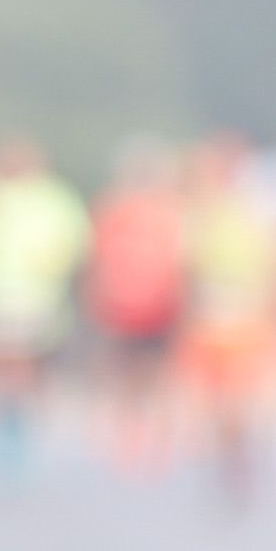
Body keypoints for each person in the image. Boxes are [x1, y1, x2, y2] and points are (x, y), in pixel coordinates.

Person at [0, 137, 90, 485]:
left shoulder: (55, 199)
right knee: (4, 365)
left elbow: (74, 247)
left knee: (23, 367)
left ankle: (17, 427)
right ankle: (9, 425)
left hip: (36, 298)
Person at [176, 133, 276, 509]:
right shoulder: (197, 209)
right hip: (208, 320)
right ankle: (229, 457)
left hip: (249, 320)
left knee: (242, 401)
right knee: (214, 405)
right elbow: (184, 267)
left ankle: (246, 454)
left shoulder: (259, 208)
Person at [86, 142, 190, 476]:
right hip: (124, 304)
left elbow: (181, 262)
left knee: (157, 374)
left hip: (159, 305)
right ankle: (132, 432)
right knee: (128, 372)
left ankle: (158, 436)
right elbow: (99, 258)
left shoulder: (169, 212)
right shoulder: (115, 211)